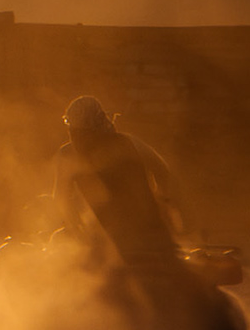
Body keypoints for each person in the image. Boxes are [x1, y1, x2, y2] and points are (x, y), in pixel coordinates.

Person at [51, 95, 184, 266]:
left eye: (82, 133)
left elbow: (163, 172)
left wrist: (164, 202)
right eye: (73, 132)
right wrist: (77, 231)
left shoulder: (127, 144)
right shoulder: (68, 156)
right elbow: (62, 201)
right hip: (106, 236)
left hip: (145, 235)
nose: (77, 139)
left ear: (96, 128)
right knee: (60, 240)